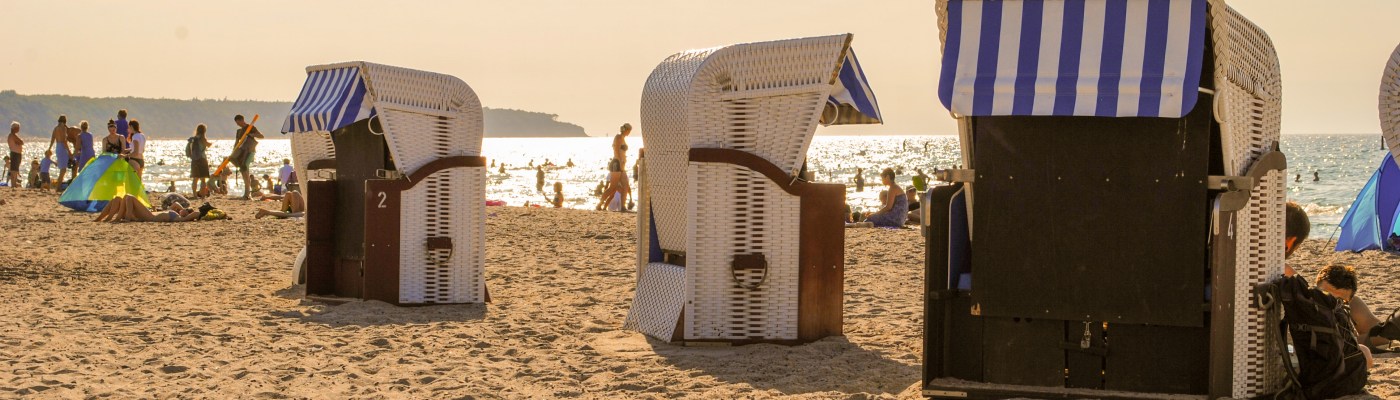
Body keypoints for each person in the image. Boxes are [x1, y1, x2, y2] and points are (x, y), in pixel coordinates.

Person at [1284, 202, 1398, 354]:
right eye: (1298, 245)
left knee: (1359, 310)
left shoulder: (1277, 270)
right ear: (1290, 241)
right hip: (1314, 337)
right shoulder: (1284, 273)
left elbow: (1382, 334)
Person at [94, 194, 203, 223]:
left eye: (186, 211)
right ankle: (101, 218)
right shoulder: (175, 211)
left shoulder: (179, 218)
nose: (183, 210)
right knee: (117, 199)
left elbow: (197, 213)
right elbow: (176, 204)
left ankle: (124, 218)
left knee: (129, 197)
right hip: (146, 214)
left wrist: (189, 213)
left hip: (149, 217)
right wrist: (183, 209)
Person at [231, 114, 263, 199]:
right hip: (241, 152)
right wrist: (233, 152)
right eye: (236, 123)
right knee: (243, 171)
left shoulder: (250, 127)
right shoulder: (239, 131)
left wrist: (252, 135)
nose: (238, 124)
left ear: (242, 120)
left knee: (245, 168)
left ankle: (247, 194)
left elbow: (261, 136)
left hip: (250, 151)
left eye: (238, 123)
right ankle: (246, 193)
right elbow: (236, 142)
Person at [186, 124, 211, 196]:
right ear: (204, 131)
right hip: (202, 159)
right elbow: (208, 145)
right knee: (203, 180)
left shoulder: (192, 139)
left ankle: (194, 195)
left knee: (195, 179)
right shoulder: (203, 139)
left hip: (194, 160)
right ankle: (203, 195)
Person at [49, 116, 73, 187]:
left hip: (58, 147)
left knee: (62, 168)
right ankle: (58, 186)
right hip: (62, 147)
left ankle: (58, 185)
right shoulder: (63, 128)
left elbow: (52, 139)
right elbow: (64, 141)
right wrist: (69, 152)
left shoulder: (55, 128)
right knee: (63, 169)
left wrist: (49, 148)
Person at [7, 122, 22, 189]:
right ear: (14, 128)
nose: (18, 129)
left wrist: (19, 143)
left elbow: (20, 142)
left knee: (15, 169)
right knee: (14, 170)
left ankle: (14, 183)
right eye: (18, 128)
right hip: (15, 153)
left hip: (16, 153)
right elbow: (21, 142)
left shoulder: (13, 135)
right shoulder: (12, 135)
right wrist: (19, 143)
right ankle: (13, 184)